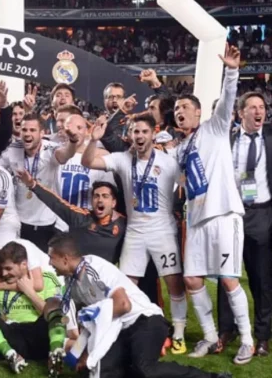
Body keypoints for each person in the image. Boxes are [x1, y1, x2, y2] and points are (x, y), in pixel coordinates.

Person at [47, 233, 231, 378]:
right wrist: (68, 350)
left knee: (146, 370)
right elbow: (74, 318)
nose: (49, 263)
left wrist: (92, 336)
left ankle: (212, 376)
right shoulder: (71, 283)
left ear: (65, 259)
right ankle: (131, 360)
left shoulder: (94, 268)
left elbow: (123, 305)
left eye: (51, 258)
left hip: (145, 321)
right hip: (118, 329)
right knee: (94, 372)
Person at [82, 113, 188, 354]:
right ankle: (131, 328)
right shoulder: (121, 159)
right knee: (128, 285)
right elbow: (88, 162)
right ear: (129, 134)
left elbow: (183, 186)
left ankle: (179, 332)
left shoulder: (168, 161)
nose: (139, 136)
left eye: (144, 132)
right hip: (136, 233)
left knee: (173, 282)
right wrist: (92, 140)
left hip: (163, 231)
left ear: (153, 134)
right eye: (135, 131)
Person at [173, 45, 253, 363]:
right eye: (176, 109)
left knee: (229, 278)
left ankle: (246, 339)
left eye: (184, 108)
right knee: (192, 279)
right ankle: (209, 336)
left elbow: (228, 99)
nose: (179, 112)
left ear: (197, 112)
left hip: (222, 213)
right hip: (197, 219)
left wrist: (231, 71)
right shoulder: (181, 147)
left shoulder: (215, 128)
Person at [216, 91, 272, 357]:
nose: (259, 111)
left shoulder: (270, 138)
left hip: (261, 216)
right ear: (241, 113)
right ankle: (226, 330)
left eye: (262, 107)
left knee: (262, 280)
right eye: (253, 107)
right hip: (231, 215)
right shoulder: (226, 140)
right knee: (227, 276)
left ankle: (262, 336)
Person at [0, 242, 68, 375]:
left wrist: (29, 292)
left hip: (40, 335)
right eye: (2, 268)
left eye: (8, 269)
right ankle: (10, 355)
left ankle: (55, 351)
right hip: (13, 336)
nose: (4, 273)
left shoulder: (48, 279)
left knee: (55, 304)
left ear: (24, 264)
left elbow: (53, 314)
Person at [17, 169, 126, 265]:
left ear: (113, 203)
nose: (100, 200)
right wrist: (33, 185)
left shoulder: (124, 224)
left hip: (108, 279)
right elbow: (57, 203)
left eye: (105, 196)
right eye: (96, 196)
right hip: (80, 277)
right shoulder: (82, 218)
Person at [0, 113, 58, 250]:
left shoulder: (51, 149)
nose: (27, 133)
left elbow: (64, 155)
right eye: (24, 130)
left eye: (32, 130)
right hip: (20, 220)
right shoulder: (13, 148)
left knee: (45, 268)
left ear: (42, 133)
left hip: (45, 222)